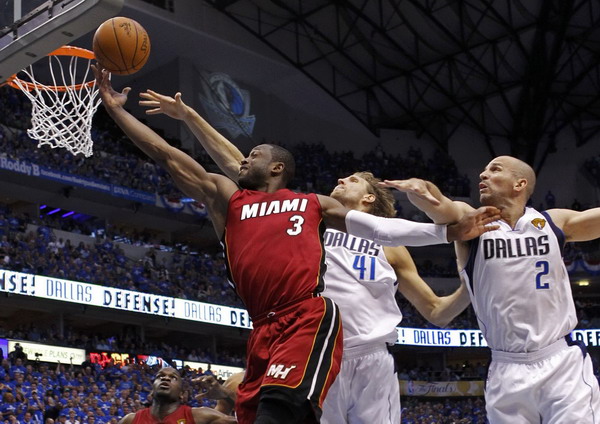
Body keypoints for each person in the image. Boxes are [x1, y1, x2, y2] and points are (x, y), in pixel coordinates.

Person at [94, 66, 499, 424]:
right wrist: (132, 112)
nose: (340, 180)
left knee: (279, 408)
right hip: (272, 328)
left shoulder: (320, 212)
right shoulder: (265, 205)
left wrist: (449, 236)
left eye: (352, 179)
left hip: (331, 334)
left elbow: (385, 234)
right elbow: (186, 157)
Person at [381, 156, 600, 423]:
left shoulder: (553, 222)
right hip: (506, 367)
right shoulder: (471, 221)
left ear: (520, 183)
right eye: (483, 170)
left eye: (494, 169)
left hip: (561, 360)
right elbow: (439, 206)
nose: (483, 175)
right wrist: (421, 188)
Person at [118, 367, 235, 424]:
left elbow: (248, 421)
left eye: (173, 378)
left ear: (181, 394)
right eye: (160, 376)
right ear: (152, 391)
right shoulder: (130, 420)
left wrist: (227, 395)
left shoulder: (200, 416)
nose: (165, 378)